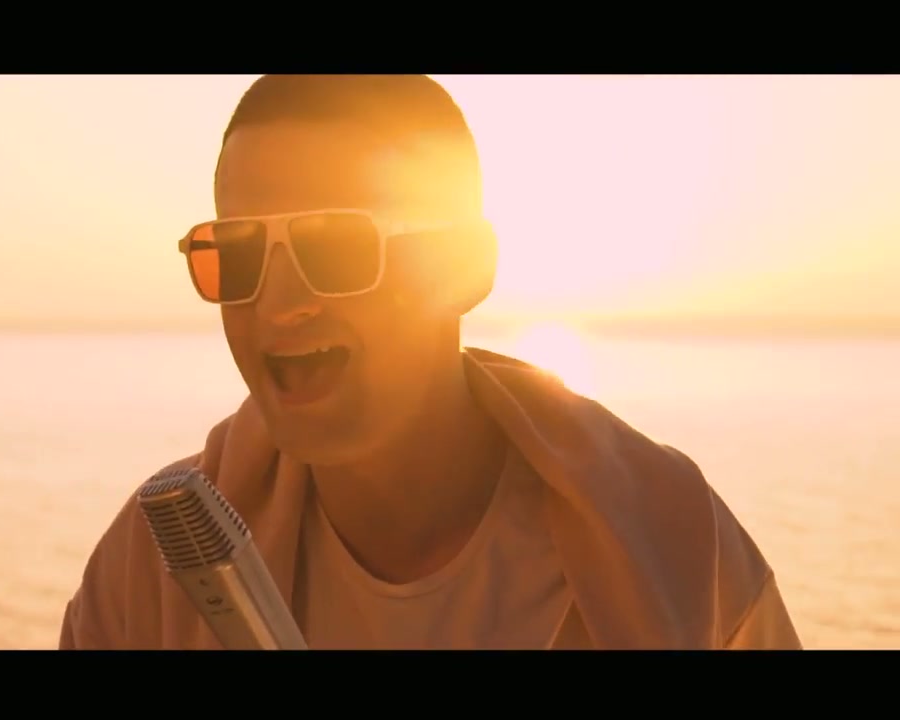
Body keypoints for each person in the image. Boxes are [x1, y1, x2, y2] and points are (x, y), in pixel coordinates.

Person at [57, 74, 802, 650]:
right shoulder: (152, 569)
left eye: (338, 248)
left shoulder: (672, 542)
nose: (279, 306)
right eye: (237, 254)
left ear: (465, 266)